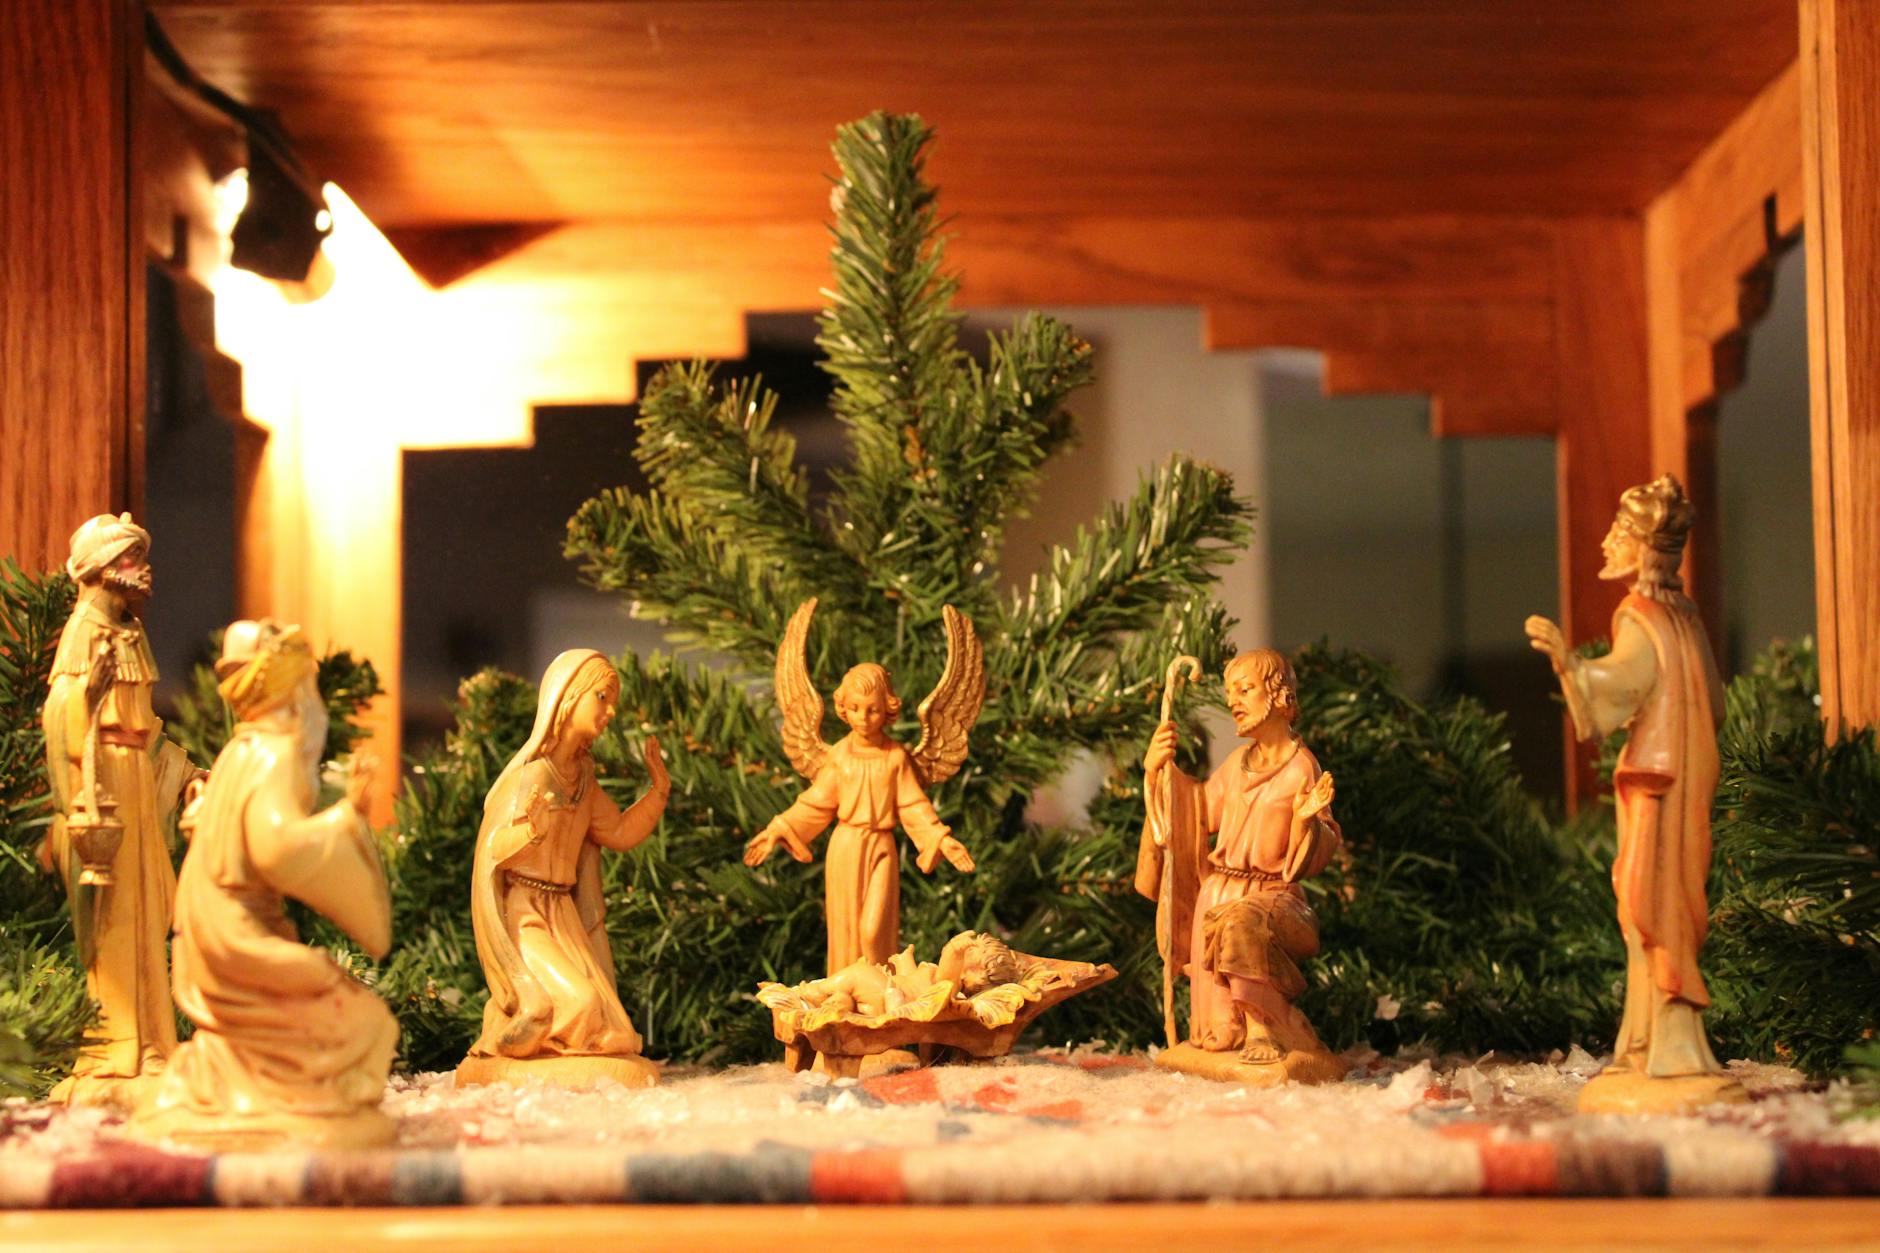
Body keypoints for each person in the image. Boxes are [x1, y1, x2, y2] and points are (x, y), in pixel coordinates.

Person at [135, 620, 395, 1147]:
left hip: (211, 920)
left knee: (285, 1011)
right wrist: (346, 819)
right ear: (295, 688)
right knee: (364, 1019)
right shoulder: (276, 755)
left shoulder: (241, 750)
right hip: (234, 930)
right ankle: (296, 1098)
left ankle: (235, 1078)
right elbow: (275, 848)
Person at [1525, 474, 1735, 1097]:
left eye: (1619, 531)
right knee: (1656, 907)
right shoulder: (1685, 616)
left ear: (1644, 548)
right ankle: (1646, 1043)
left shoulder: (1641, 616)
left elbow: (1621, 687)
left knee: (1648, 903)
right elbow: (1715, 705)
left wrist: (1569, 664)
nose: (1607, 542)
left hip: (1657, 784)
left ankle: (1667, 1050)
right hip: (1681, 781)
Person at [40, 513, 198, 1107]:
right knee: (116, 916)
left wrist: (183, 774)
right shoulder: (84, 631)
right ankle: (113, 1050)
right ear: (101, 570)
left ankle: (154, 1043)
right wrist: (86, 694)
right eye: (131, 559)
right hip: (103, 785)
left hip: (135, 782)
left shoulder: (130, 631)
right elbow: (60, 715)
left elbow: (143, 725)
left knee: (147, 908)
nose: (143, 569)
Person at [464, 649, 668, 1081]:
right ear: (568, 697)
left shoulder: (584, 780)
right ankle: (511, 1033)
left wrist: (659, 792)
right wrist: (530, 831)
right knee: (580, 1004)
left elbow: (618, 831)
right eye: (602, 696)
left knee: (613, 1027)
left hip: (563, 915)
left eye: (613, 701)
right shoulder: (532, 775)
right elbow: (493, 850)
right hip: (525, 914)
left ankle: (534, 1026)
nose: (610, 711)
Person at [1139, 649, 1340, 1069]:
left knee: (1240, 922)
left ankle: (1263, 1026)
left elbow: (1320, 842)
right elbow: (1195, 814)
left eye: (1245, 690)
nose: (1233, 702)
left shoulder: (1301, 768)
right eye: (1231, 693)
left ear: (1278, 695)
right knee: (1218, 1027)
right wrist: (1157, 772)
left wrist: (1306, 821)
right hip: (1219, 889)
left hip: (1272, 895)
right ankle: (1229, 1030)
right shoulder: (1236, 765)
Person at [744, 662, 975, 974]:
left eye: (872, 710)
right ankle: (848, 990)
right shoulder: (840, 755)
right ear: (843, 707)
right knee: (846, 928)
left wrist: (940, 839)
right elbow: (816, 803)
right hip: (846, 848)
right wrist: (778, 828)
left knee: (873, 928)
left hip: (881, 849)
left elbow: (912, 805)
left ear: (887, 709)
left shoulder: (895, 757)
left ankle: (879, 985)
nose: (863, 718)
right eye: (855, 708)